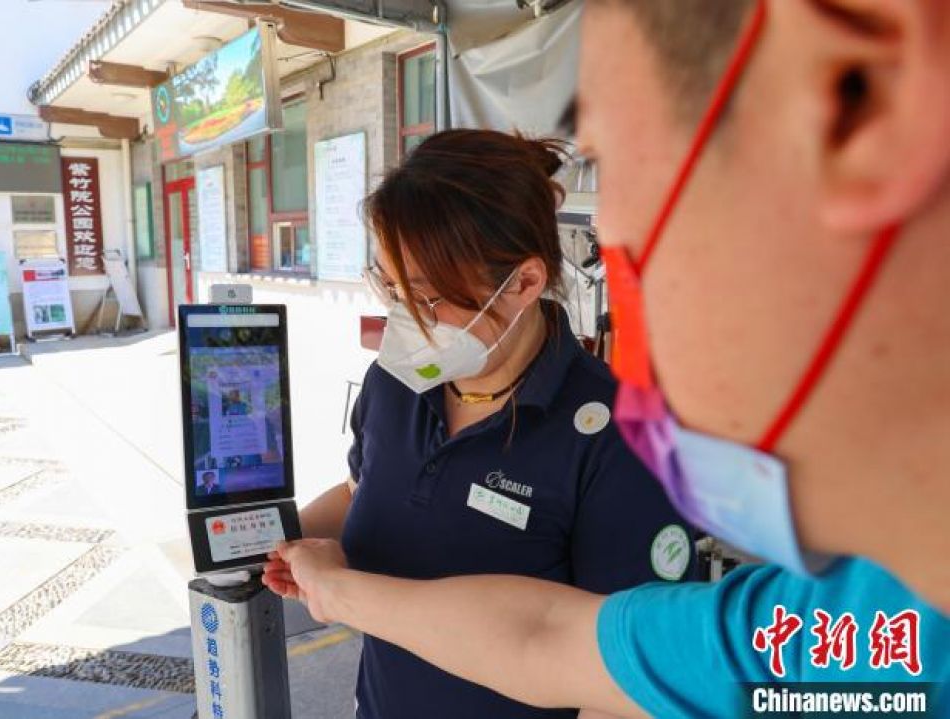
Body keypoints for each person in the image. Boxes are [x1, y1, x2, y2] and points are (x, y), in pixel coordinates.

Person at [264, 0, 950, 716]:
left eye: (618, 166)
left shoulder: (615, 431)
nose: (609, 229)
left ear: (858, 91)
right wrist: (283, 552)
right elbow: (551, 640)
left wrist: (343, 592)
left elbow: (567, 655)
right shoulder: (821, 626)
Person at [291, 128, 695, 719]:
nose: (406, 317)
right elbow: (364, 490)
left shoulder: (622, 438)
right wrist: (268, 540)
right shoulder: (395, 385)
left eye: (428, 298)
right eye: (391, 286)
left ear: (525, 283)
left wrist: (338, 591)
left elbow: (628, 681)